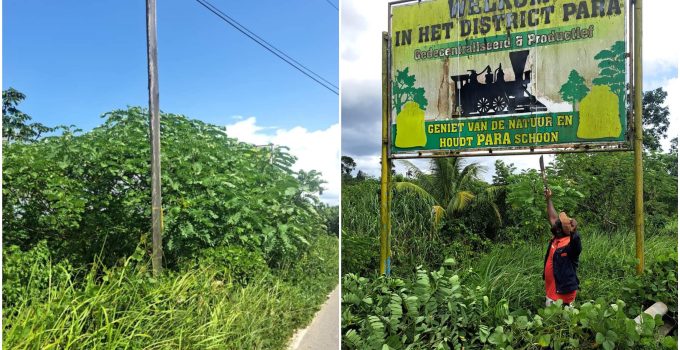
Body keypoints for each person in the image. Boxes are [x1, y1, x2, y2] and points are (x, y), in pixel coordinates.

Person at [543, 187, 581, 307]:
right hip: (551, 292)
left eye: (560, 222)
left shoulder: (570, 244)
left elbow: (577, 246)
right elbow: (553, 217)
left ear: (561, 229)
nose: (556, 222)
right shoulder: (557, 238)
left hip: (564, 296)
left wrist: (574, 232)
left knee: (566, 323)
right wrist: (548, 199)